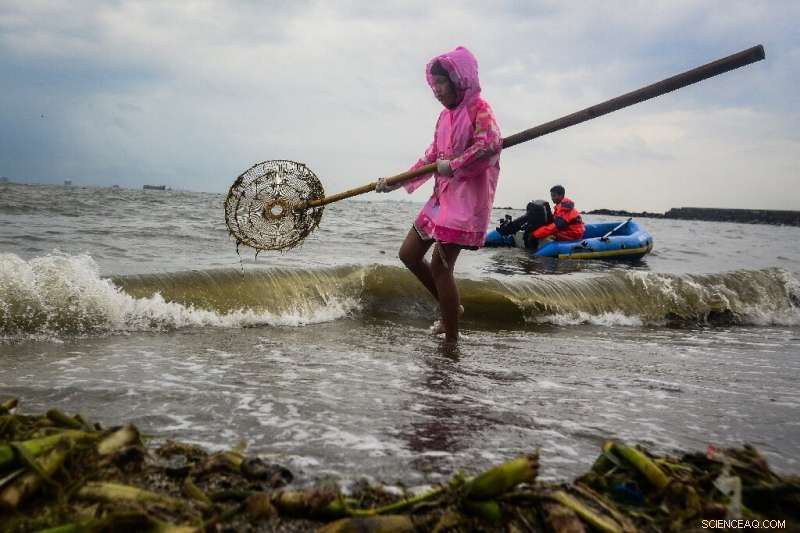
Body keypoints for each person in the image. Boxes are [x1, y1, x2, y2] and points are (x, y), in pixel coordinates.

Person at [375, 46, 502, 343]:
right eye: (434, 85)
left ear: (459, 80)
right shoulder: (444, 118)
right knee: (408, 253)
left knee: (441, 266)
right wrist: (394, 182)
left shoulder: (479, 109)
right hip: (442, 197)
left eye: (442, 84)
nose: (437, 91)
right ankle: (451, 308)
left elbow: (490, 145)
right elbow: (431, 157)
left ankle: (451, 339)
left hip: (466, 201)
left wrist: (455, 164)